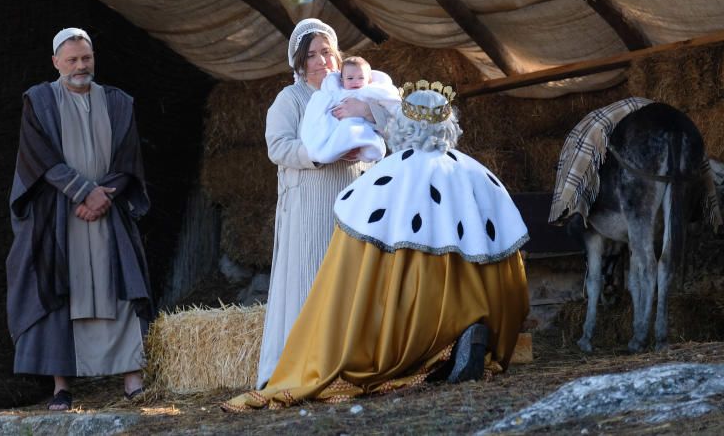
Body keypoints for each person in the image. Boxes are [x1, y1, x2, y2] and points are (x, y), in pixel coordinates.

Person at [225, 81, 530, 410]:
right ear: (448, 125)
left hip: (410, 318)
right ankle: (459, 342)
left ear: (403, 125)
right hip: (478, 304)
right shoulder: (479, 176)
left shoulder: (385, 178)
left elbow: (349, 271)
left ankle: (420, 355)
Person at [6, 28, 152, 410]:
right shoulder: (39, 101)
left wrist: (103, 196)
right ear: (56, 62)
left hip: (108, 212)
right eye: (71, 60)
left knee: (119, 287)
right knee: (60, 292)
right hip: (60, 215)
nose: (80, 66)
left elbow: (128, 158)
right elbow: (39, 157)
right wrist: (83, 192)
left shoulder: (118, 103)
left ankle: (131, 377)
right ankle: (61, 386)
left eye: (85, 58)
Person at [256, 19, 395, 389]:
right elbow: (278, 146)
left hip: (356, 197)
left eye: (327, 53)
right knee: (313, 276)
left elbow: (392, 126)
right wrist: (320, 155)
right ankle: (308, 365)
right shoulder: (292, 99)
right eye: (312, 56)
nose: (321, 62)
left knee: (352, 278)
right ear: (300, 63)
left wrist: (365, 114)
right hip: (311, 203)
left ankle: (353, 364)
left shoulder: (357, 91)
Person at [300, 55, 401, 164]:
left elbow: (393, 109)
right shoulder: (333, 93)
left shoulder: (371, 91)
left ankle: (366, 147)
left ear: (369, 80)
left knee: (367, 140)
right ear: (342, 80)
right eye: (350, 78)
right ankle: (329, 149)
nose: (355, 82)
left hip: (362, 131)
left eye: (361, 78)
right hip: (340, 131)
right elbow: (318, 115)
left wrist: (367, 109)